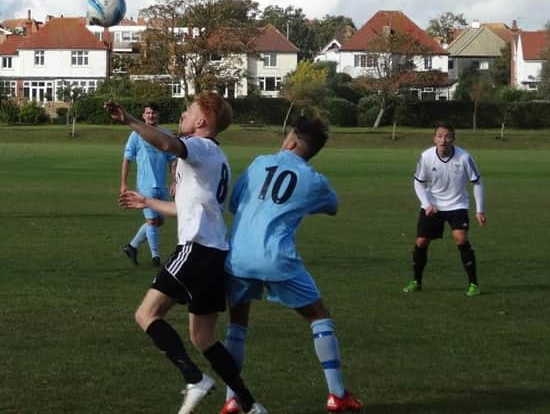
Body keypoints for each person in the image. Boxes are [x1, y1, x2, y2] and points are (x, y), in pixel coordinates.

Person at [105, 92, 266, 414]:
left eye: (188, 111)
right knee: (203, 337)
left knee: (146, 314)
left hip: (195, 250)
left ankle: (195, 379)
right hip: (214, 253)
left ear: (202, 122)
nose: (182, 115)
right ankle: (250, 405)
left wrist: (131, 121)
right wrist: (148, 202)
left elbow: (166, 144)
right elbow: (188, 206)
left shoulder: (201, 147)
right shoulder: (214, 158)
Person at [220, 117, 363, 414]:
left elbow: (234, 204)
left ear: (293, 140)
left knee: (237, 324)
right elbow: (332, 207)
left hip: (238, 255)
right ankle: (337, 394)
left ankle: (232, 398)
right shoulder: (314, 180)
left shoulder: (260, 162)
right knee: (318, 316)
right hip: (275, 257)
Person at [403, 122, 486, 297]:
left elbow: (477, 181)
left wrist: (479, 210)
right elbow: (418, 182)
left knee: (461, 238)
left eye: (447, 136)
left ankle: (474, 284)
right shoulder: (426, 157)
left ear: (453, 139)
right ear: (434, 139)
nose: (443, 139)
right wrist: (426, 204)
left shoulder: (464, 157)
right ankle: (416, 281)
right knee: (421, 242)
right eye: (440, 136)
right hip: (433, 205)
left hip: (457, 204)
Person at [120, 102, 177, 267]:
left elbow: (172, 161)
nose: (151, 116)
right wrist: (123, 182)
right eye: (148, 113)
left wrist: (174, 180)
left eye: (154, 113)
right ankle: (156, 258)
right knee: (152, 222)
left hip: (162, 185)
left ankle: (132, 246)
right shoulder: (136, 135)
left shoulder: (166, 135)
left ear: (158, 115)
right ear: (143, 116)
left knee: (159, 221)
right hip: (145, 186)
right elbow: (127, 159)